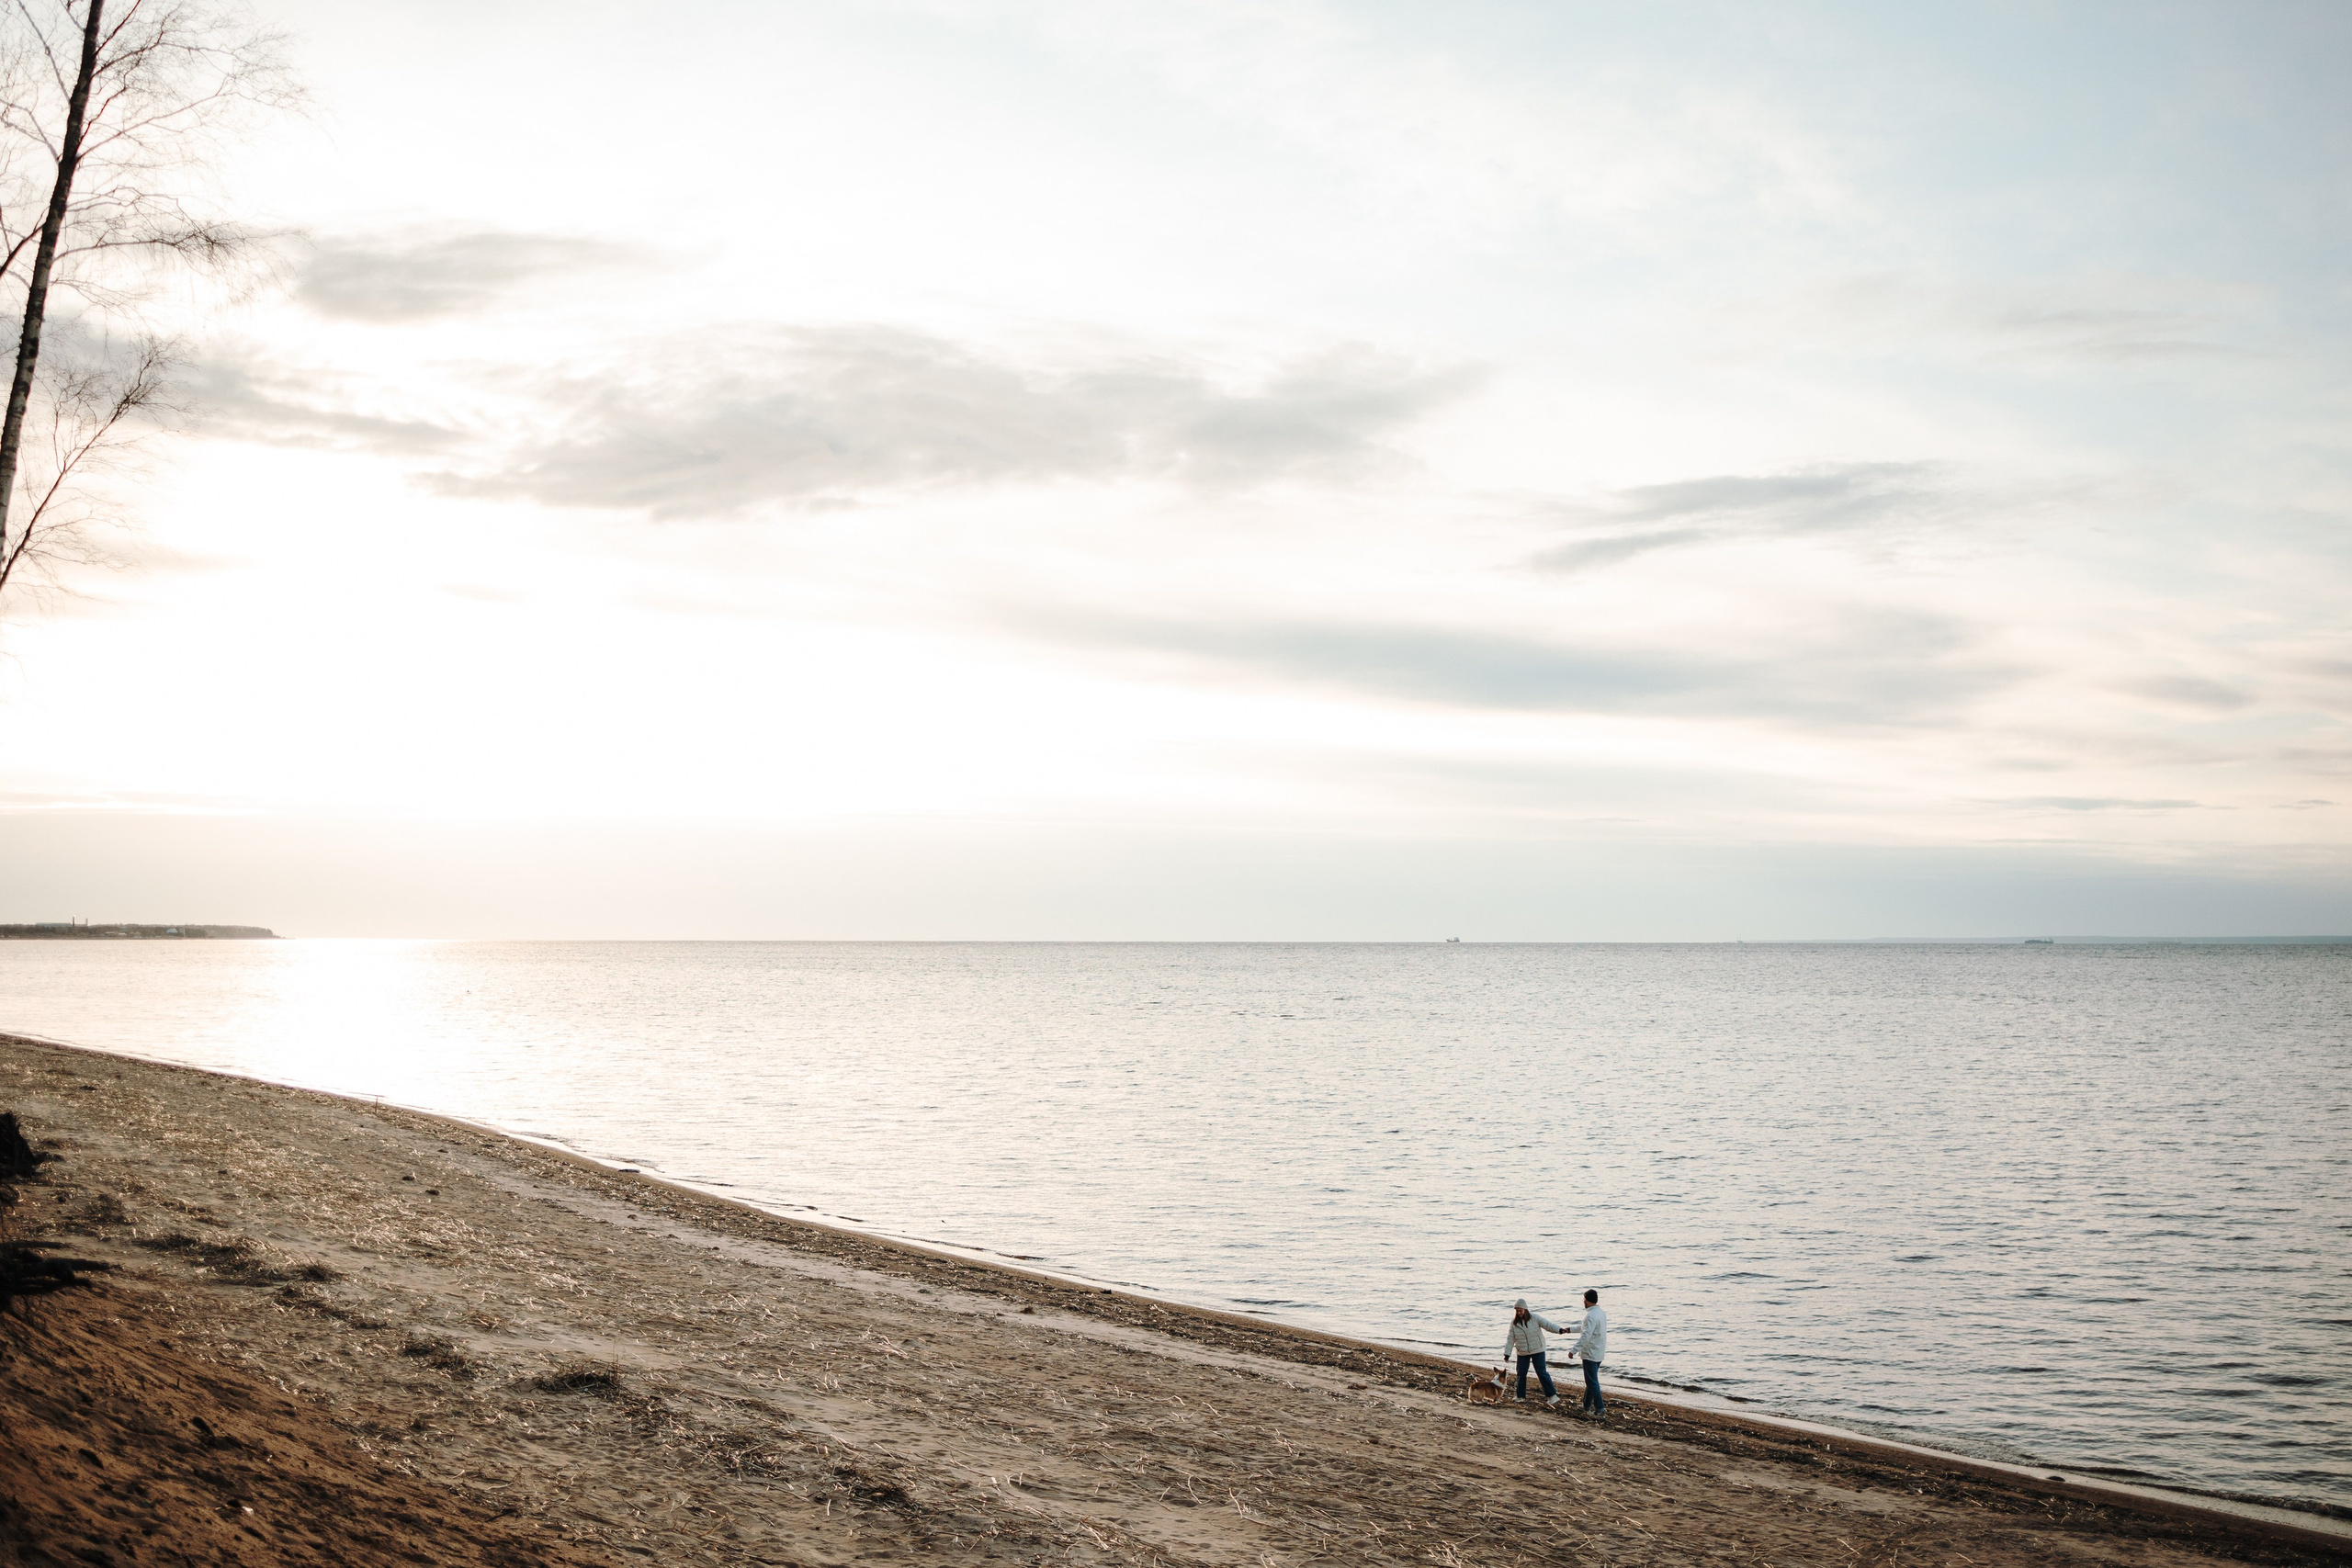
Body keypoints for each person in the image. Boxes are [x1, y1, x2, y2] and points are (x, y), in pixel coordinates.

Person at [1502, 1298, 1568, 1405]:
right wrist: (1507, 1353)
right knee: (1521, 1373)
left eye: (1521, 1310)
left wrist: (1559, 1330)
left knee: (1541, 1372)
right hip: (1522, 1351)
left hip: (1537, 1349)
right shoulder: (1514, 1323)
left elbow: (1548, 1325)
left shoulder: (1535, 1318)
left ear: (1525, 1309)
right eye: (1517, 1311)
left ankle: (1552, 1396)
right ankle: (1520, 1396)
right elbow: (1510, 1338)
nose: (1519, 1313)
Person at [1570, 1288, 1608, 1417]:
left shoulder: (1591, 1316)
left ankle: (1600, 1409)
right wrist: (1569, 1330)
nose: (1583, 1302)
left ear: (1587, 1300)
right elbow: (1584, 1329)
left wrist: (1573, 1350)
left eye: (1584, 1300)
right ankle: (1586, 1405)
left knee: (1592, 1382)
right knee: (1591, 1381)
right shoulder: (1600, 1313)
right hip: (1598, 1352)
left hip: (1590, 1353)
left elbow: (1585, 1336)